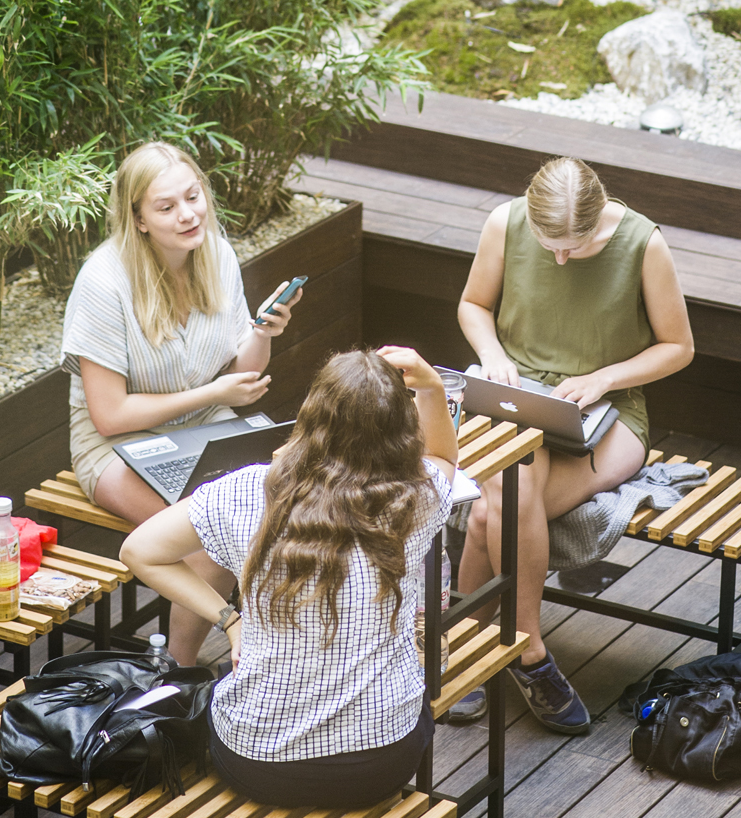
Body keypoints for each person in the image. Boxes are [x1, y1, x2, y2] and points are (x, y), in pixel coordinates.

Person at [120, 347, 458, 808]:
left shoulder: (246, 489)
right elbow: (443, 457)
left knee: (223, 678)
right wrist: (433, 388)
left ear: (310, 417)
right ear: (402, 431)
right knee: (414, 689)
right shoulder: (415, 501)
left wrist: (230, 620)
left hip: (259, 762)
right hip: (381, 763)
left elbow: (139, 551)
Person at [450, 156, 694, 735]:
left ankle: (468, 647)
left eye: (575, 246)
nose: (560, 257)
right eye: (548, 244)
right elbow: (473, 305)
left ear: (598, 218)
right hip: (514, 393)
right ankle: (527, 650)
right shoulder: (504, 223)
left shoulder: (642, 244)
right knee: (510, 481)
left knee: (491, 507)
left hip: (611, 412)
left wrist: (604, 378)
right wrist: (494, 357)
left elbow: (678, 347)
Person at [61, 140, 301, 663]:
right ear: (139, 219)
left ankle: (283, 652)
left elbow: (241, 372)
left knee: (289, 504)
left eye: (193, 197)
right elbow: (109, 415)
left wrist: (263, 333)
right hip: (116, 446)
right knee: (209, 535)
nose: (188, 215)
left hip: (204, 425)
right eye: (167, 207)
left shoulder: (214, 251)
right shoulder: (104, 283)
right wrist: (214, 394)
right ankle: (179, 671)